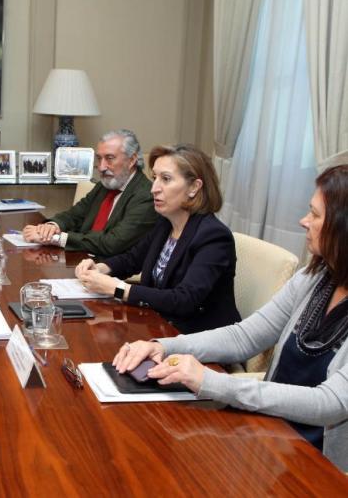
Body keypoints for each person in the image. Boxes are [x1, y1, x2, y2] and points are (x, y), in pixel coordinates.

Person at [112, 164, 348, 472]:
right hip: (272, 434)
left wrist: (214, 382)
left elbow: (329, 404)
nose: (304, 221)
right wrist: (163, 346)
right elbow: (245, 337)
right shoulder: (315, 277)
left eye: (315, 215)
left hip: (322, 463)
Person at [76, 144, 240, 334]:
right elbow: (132, 259)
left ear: (194, 187)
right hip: (160, 326)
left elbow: (184, 299)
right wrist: (100, 268)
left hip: (200, 338)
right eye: (155, 178)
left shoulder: (214, 236)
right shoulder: (166, 223)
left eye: (166, 179)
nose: (154, 189)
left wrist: (118, 288)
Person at [22, 129, 157, 255]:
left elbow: (113, 243)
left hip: (111, 267)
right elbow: (74, 215)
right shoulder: (104, 185)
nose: (101, 167)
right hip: (80, 258)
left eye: (110, 158)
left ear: (132, 160)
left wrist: (56, 238)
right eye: (99, 158)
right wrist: (51, 227)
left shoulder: (146, 196)